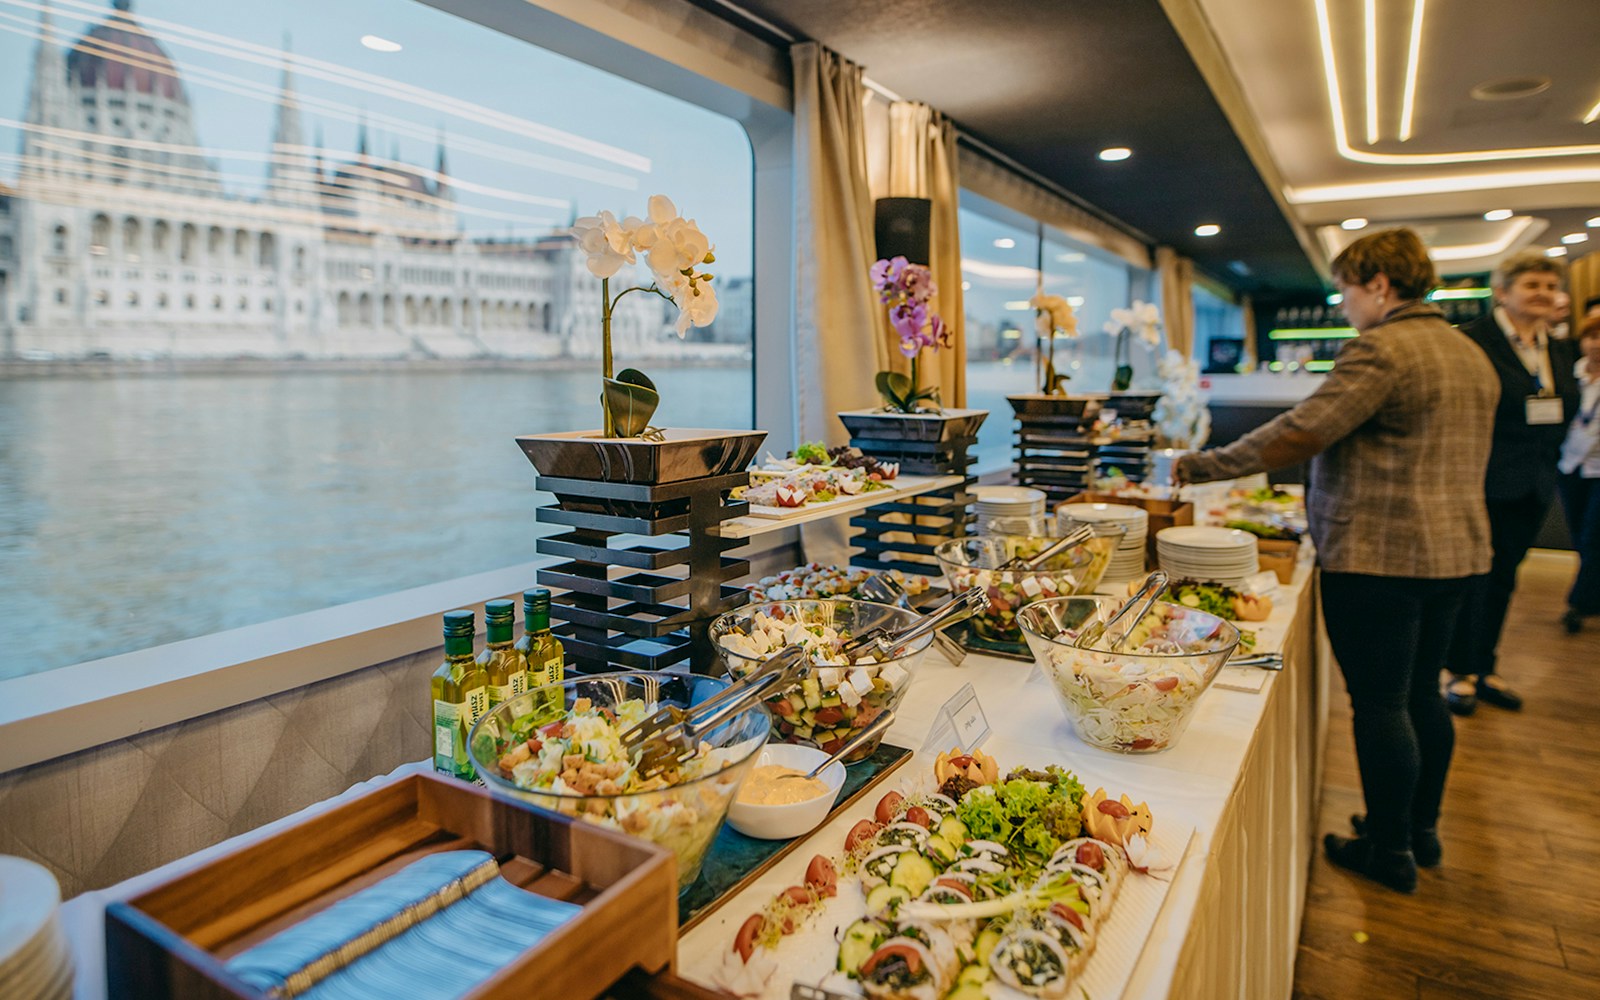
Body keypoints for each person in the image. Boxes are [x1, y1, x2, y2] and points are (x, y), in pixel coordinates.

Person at [1175, 228, 1498, 894]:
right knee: (1421, 696)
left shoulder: (1381, 349)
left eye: (1346, 290)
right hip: (1457, 553)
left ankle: (1387, 850)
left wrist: (1204, 464)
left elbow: (1302, 430)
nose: (1344, 305)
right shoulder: (1470, 352)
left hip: (1382, 557)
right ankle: (1419, 830)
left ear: (1379, 285)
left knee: (1381, 705)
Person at [1444, 251, 1579, 715]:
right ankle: (1459, 671)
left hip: (1535, 484)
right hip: (1480, 480)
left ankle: (1486, 665)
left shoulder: (1559, 348)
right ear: (1503, 292)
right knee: (1472, 578)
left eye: (1549, 285)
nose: (1543, 293)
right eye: (1531, 285)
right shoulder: (1472, 342)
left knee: (1504, 578)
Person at [1557, 316, 1600, 632]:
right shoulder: (1567, 375)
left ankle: (1578, 604)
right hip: (1570, 466)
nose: (1596, 343)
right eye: (1592, 336)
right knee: (1582, 539)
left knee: (1592, 536)